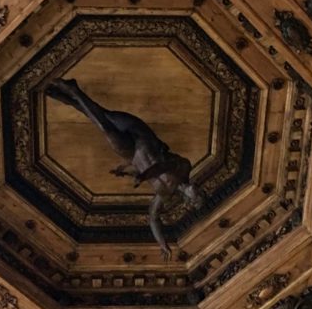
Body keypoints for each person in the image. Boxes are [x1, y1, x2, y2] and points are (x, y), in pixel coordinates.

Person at [46, 77, 204, 259]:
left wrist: (163, 245)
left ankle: (72, 92)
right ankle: (70, 94)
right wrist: (142, 176)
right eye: (199, 194)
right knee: (103, 114)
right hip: (141, 135)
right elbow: (162, 165)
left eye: (196, 198)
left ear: (188, 202)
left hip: (131, 153)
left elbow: (153, 218)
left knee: (103, 125)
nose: (197, 192)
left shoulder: (164, 194)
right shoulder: (185, 167)